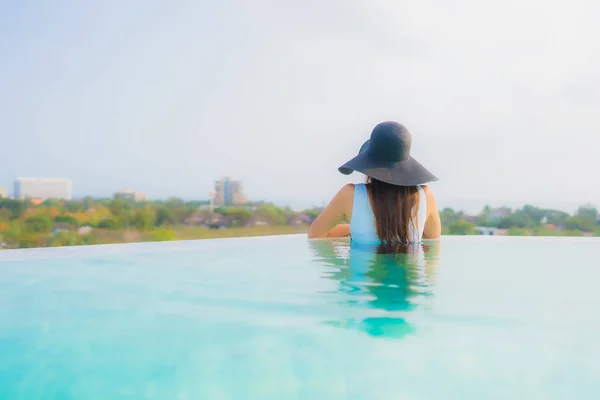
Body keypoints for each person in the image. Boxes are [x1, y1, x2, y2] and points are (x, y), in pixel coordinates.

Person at [308, 121, 441, 243]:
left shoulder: (349, 194)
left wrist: (359, 229)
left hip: (361, 269)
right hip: (412, 269)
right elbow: (433, 238)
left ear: (367, 162)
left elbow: (315, 234)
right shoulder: (425, 195)